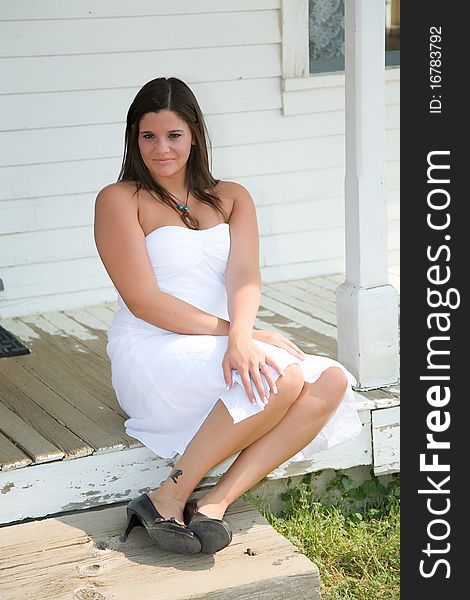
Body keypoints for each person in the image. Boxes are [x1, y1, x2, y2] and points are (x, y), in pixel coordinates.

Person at [94, 76, 362, 555]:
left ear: (194, 134)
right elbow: (144, 301)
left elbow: (245, 278)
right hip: (154, 347)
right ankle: (169, 494)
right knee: (281, 375)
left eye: (173, 135)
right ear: (134, 139)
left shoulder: (232, 196)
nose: (161, 149)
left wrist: (242, 335)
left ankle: (215, 503)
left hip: (220, 343)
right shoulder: (120, 200)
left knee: (332, 380)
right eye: (148, 136)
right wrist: (239, 336)